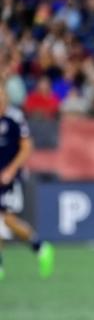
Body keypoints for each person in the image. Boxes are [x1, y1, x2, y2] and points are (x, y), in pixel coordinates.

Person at [0, 85, 54, 280]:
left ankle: (40, 247)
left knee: (7, 220)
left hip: (10, 179)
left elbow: (26, 147)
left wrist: (11, 170)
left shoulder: (15, 118)